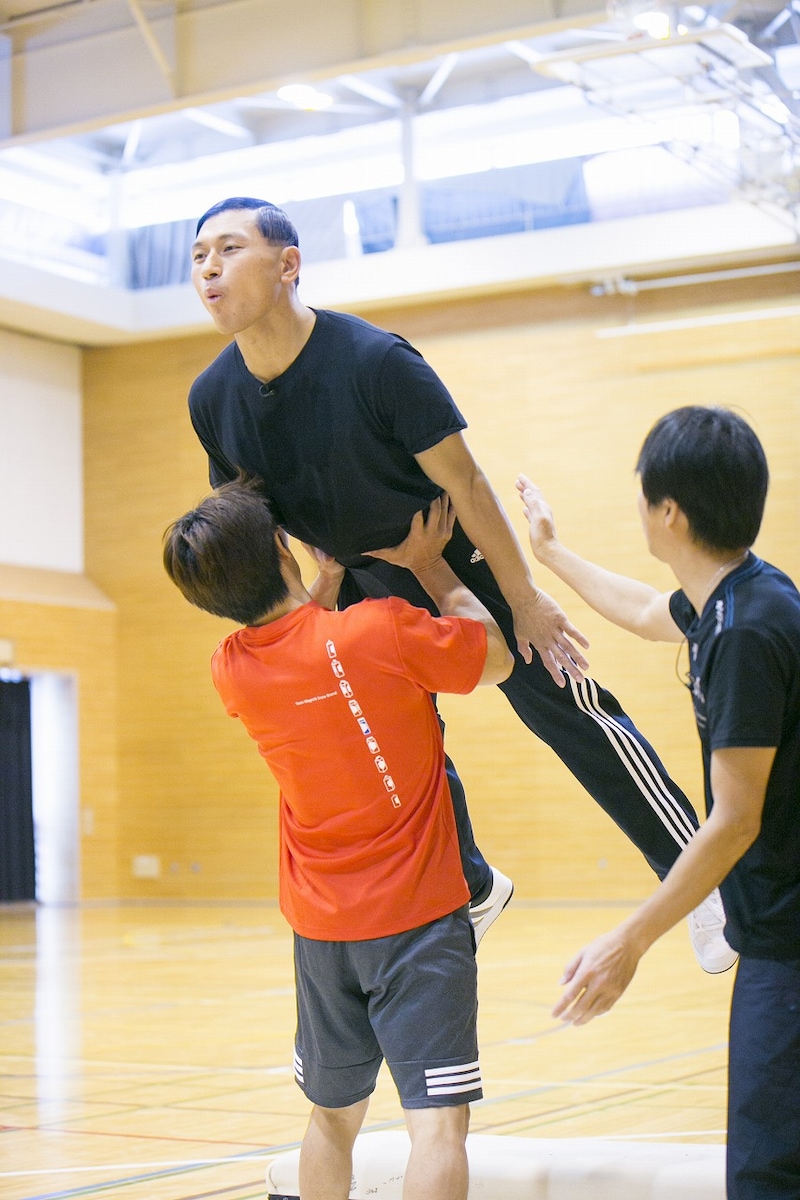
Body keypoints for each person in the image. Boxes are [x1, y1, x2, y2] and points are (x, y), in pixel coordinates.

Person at [186, 195, 732, 969]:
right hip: (357, 584)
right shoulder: (211, 398)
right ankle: (472, 885)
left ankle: (702, 881)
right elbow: (249, 519)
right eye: (198, 255)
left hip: (454, 555)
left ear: (288, 265)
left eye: (228, 249)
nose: (208, 268)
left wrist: (526, 598)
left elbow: (469, 485)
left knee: (571, 708)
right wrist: (316, 594)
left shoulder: (377, 362)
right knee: (395, 747)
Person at [162, 482, 513, 1200]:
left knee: (330, 1120)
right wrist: (431, 564)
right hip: (418, 919)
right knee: (438, 1129)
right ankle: (481, 886)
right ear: (281, 549)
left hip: (320, 930)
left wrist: (316, 589)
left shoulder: (230, 670)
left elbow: (300, 648)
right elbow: (497, 658)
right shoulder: (380, 628)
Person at [517, 405, 800, 1199]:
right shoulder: (739, 597)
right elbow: (647, 612)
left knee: (766, 1174)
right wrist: (550, 555)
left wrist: (629, 940)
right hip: (779, 930)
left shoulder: (746, 632)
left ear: (669, 511)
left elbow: (733, 819)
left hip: (789, 943)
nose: (640, 507)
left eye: (644, 495)